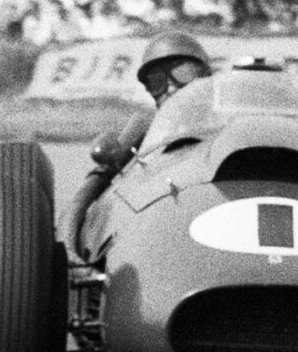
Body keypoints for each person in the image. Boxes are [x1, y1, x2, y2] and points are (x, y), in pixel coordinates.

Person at [65, 32, 213, 257]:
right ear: (149, 90)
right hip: (162, 208)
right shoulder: (145, 124)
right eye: (157, 81)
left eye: (182, 73)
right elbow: (100, 172)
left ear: (203, 76)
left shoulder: (228, 117)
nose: (171, 88)